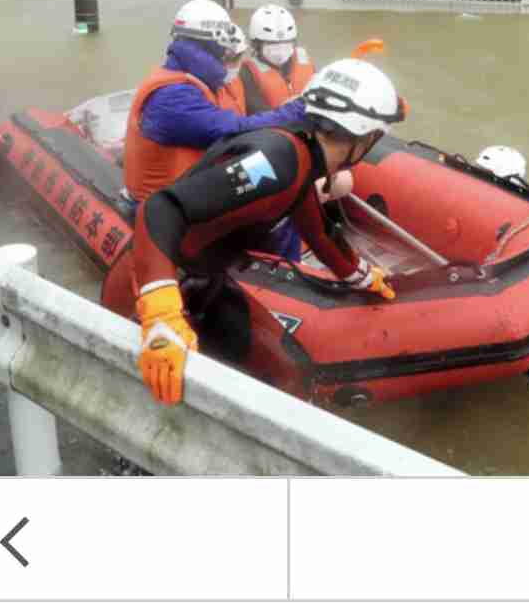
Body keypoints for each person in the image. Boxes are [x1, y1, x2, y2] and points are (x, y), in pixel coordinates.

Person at [133, 57, 407, 405]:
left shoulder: (303, 156)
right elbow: (161, 207)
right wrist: (160, 311)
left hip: (205, 277)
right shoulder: (276, 161)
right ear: (364, 136)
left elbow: (317, 230)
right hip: (161, 281)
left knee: (285, 371)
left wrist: (360, 275)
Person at [123, 0, 307, 204]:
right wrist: (298, 110)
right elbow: (233, 131)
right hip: (168, 207)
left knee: (281, 174)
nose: (229, 54)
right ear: (211, 46)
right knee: (279, 190)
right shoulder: (172, 97)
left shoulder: (203, 82)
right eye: (224, 47)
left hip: (196, 186)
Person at [238, 4, 313, 110]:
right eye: (271, 44)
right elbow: (257, 111)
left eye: (286, 43)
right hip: (276, 120)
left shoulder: (304, 60)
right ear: (256, 44)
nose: (280, 50)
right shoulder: (247, 73)